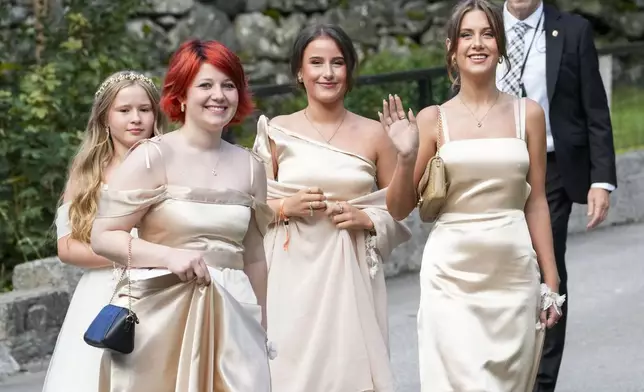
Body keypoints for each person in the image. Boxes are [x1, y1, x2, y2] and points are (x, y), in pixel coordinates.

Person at [380, 1, 565, 390]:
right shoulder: (433, 119)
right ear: (451, 47)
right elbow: (397, 208)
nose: (477, 43)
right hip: (451, 276)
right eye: (466, 35)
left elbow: (535, 200)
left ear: (500, 45)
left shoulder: (528, 114)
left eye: (487, 33)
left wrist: (551, 278)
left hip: (513, 273)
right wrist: (406, 155)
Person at [90, 39, 273, 391]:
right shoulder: (151, 157)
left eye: (228, 85)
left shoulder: (251, 167)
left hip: (233, 317)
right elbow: (103, 237)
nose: (218, 95)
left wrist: (261, 322)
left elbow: (254, 257)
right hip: (159, 316)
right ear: (182, 95)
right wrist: (169, 256)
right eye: (205, 85)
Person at [252, 23, 411, 392]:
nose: (328, 72)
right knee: (290, 372)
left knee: (349, 372)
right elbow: (253, 208)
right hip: (290, 275)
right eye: (316, 62)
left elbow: (400, 208)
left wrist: (369, 215)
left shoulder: (375, 133)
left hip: (350, 272)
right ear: (299, 71)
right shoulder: (277, 129)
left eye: (337, 62)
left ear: (349, 70)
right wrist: (285, 206)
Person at [497, 1, 617, 390]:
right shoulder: (480, 25)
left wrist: (602, 178)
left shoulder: (572, 30)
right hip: (493, 168)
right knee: (500, 267)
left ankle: (541, 382)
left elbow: (594, 107)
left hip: (552, 168)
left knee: (546, 269)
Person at [42, 70, 165, 391]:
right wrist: (126, 252)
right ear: (105, 117)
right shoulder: (87, 171)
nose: (135, 119)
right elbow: (67, 246)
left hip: (161, 286)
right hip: (103, 291)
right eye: (124, 111)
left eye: (145, 109)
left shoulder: (171, 162)